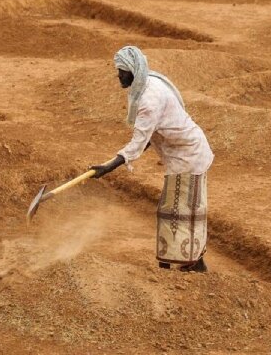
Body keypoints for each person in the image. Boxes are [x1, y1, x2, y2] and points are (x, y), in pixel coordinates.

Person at [89, 45, 214, 272]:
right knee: (182, 208)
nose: (118, 76)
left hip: (187, 156)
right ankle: (187, 262)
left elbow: (139, 142)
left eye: (122, 71)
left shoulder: (148, 101)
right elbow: (147, 138)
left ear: (133, 71)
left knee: (177, 211)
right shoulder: (149, 82)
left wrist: (108, 167)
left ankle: (189, 264)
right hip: (186, 152)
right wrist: (119, 159)